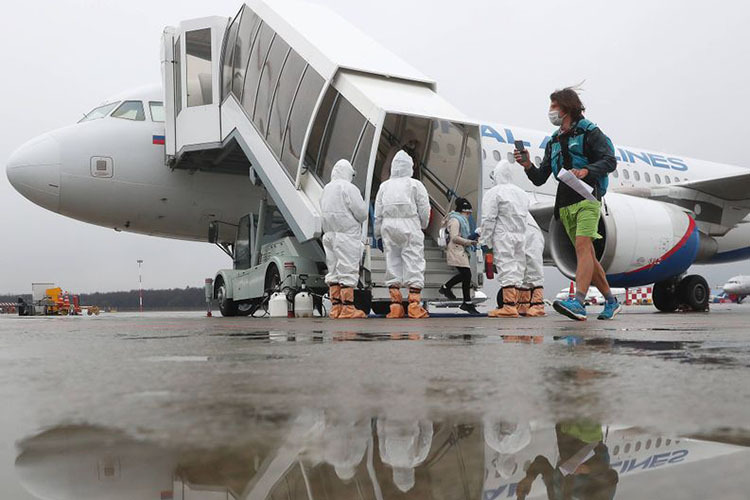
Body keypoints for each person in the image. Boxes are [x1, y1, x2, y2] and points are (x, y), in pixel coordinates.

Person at [515, 87, 621, 321]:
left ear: (567, 108)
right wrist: (527, 165)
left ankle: (579, 302)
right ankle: (612, 301)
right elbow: (540, 177)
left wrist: (587, 170)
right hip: (564, 203)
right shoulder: (553, 141)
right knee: (588, 255)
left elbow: (609, 161)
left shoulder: (590, 132)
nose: (550, 112)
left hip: (587, 197)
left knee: (583, 247)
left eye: (554, 107)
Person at [374, 150, 431, 319]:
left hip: (389, 226)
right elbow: (424, 209)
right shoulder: (415, 185)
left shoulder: (384, 186)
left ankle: (395, 307)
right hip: (410, 225)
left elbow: (378, 212)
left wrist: (377, 233)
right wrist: (422, 225)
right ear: (410, 167)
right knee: (413, 262)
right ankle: (414, 306)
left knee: (392, 263)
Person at [479, 161, 530, 318]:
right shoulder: (522, 193)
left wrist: (485, 241)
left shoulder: (494, 192)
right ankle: (522, 306)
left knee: (506, 267)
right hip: (521, 235)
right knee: (519, 269)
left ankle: (508, 307)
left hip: (503, 234)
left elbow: (488, 219)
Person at [320, 159, 368, 319]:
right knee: (347, 270)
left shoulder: (326, 189)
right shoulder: (349, 188)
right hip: (346, 235)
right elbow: (361, 213)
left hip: (329, 235)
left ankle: (336, 308)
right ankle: (348, 309)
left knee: (333, 272)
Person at [438, 197, 481, 315]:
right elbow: (455, 237)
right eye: (467, 213)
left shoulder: (460, 220)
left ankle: (448, 289)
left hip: (460, 250)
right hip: (456, 250)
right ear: (462, 211)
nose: (468, 215)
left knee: (465, 275)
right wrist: (469, 242)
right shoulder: (455, 220)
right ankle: (465, 302)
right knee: (466, 275)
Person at [518, 213, 546, 317]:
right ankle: (523, 305)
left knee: (533, 268)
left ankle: (538, 305)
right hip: (521, 234)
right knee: (523, 271)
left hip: (530, 236)